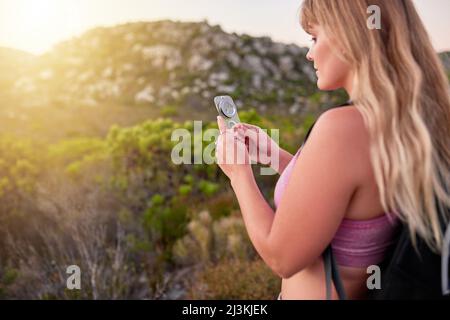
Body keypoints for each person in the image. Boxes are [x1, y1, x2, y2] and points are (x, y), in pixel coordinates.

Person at [215, 0, 450, 300]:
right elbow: (345, 205)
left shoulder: (343, 129)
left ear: (348, 32)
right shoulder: (408, 122)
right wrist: (275, 156)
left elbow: (282, 258)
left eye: (314, 37)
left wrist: (238, 173)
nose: (309, 53)